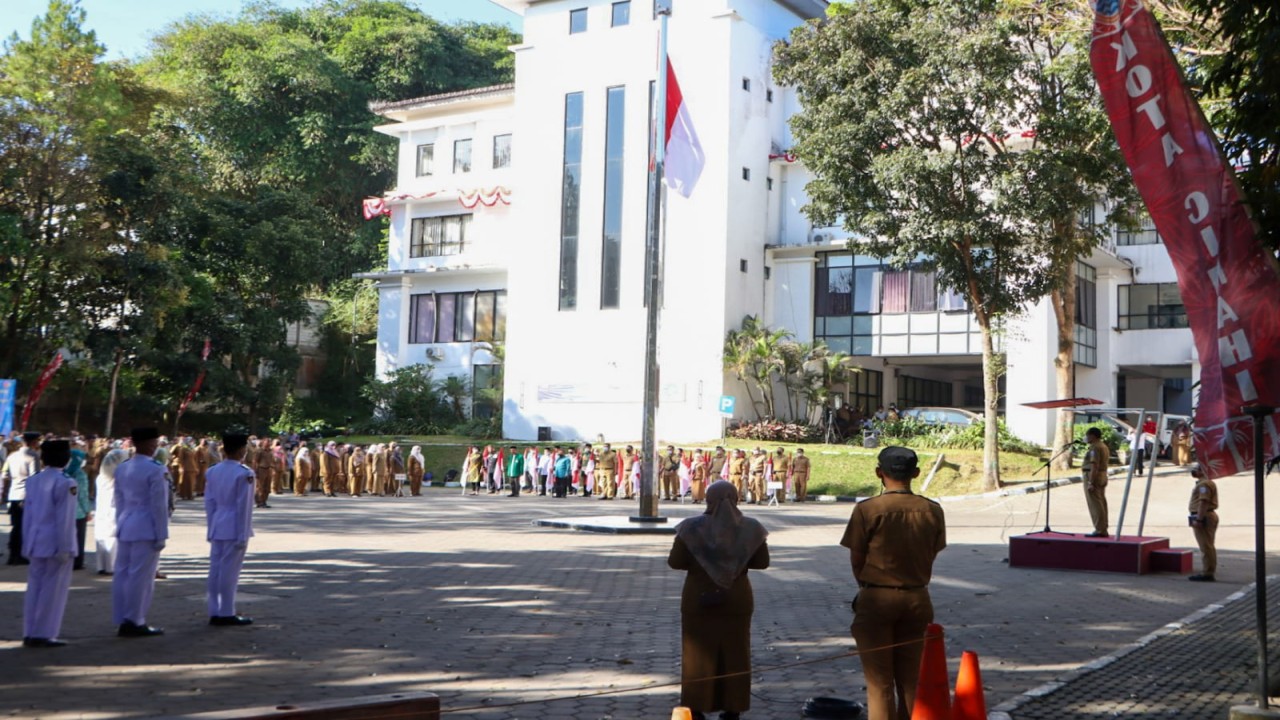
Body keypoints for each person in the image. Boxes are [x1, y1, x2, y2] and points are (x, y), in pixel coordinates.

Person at [841, 446, 946, 720]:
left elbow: (856, 559)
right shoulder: (932, 510)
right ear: (916, 473)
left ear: (879, 473)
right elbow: (932, 552)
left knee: (880, 682)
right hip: (917, 598)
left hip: (876, 598)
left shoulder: (867, 509)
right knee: (912, 679)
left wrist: (866, 588)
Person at [668, 481, 770, 720]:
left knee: (697, 655)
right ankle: (732, 708)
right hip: (737, 600)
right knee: (736, 653)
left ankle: (696, 707)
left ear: (708, 499)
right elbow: (762, 563)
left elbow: (675, 562)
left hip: (698, 600)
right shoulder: (752, 528)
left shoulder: (690, 528)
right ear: (736, 499)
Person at [112, 427, 170, 637]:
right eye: (154, 443)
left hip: (126, 524)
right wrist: (162, 533)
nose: (156, 447)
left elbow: (118, 501)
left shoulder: (123, 467)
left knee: (123, 574)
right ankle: (136, 619)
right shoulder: (156, 469)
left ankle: (122, 617)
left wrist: (119, 523)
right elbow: (158, 505)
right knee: (141, 577)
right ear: (148, 443)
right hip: (146, 527)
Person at [21, 439, 78, 648]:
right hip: (55, 543)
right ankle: (44, 633)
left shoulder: (34, 480)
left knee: (35, 587)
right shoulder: (66, 482)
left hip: (36, 541)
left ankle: (30, 631)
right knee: (53, 590)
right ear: (66, 458)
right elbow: (64, 520)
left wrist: (27, 542)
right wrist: (65, 548)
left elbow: (28, 515)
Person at [205, 433, 256, 626]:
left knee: (216, 569)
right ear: (242, 450)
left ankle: (214, 610)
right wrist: (243, 533)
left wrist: (211, 528)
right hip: (234, 525)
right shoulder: (245, 473)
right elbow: (244, 507)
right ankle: (226, 611)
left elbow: (209, 503)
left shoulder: (213, 471)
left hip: (218, 523)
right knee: (230, 571)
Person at [2, 431, 43, 565]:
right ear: (33, 442)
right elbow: (35, 477)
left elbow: (4, 475)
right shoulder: (33, 456)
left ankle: (12, 554)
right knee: (25, 526)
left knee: (16, 525)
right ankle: (20, 554)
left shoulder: (12, 456)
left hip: (13, 493)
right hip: (27, 495)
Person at [94, 448, 129, 575]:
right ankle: (111, 565)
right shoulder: (119, 477)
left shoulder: (101, 476)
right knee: (113, 535)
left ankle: (102, 565)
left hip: (102, 508)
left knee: (102, 535)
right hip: (113, 508)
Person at [1188, 463, 1218, 582]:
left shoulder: (1204, 484)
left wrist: (1199, 519)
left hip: (1204, 516)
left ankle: (1208, 573)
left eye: (1197, 469)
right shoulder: (1204, 483)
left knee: (1206, 546)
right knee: (1207, 545)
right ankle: (1208, 570)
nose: (1194, 471)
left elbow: (1203, 502)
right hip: (1205, 515)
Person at [66, 442, 92, 570]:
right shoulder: (80, 474)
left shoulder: (65, 471)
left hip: (66, 511)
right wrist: (88, 511)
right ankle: (78, 561)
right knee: (78, 537)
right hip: (79, 512)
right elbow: (83, 494)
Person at [1082, 427, 1111, 537]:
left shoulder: (1095, 447)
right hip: (1102, 475)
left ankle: (1100, 529)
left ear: (1093, 436)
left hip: (1094, 475)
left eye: (1088, 435)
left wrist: (1090, 482)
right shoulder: (1103, 446)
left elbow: (1094, 465)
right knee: (1101, 502)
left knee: (1095, 503)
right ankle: (1103, 527)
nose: (1086, 437)